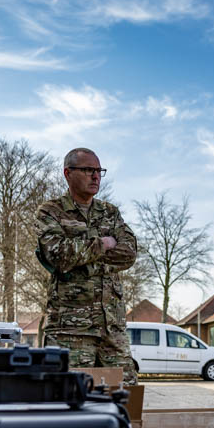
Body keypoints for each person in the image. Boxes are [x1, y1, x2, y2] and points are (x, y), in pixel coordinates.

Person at [36, 147, 139, 383]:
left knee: (126, 398)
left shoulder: (109, 213)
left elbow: (129, 254)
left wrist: (83, 259)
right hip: (70, 330)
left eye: (99, 171)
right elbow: (58, 255)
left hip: (112, 328)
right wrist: (104, 244)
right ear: (68, 173)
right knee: (68, 399)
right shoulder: (50, 212)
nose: (96, 176)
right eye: (88, 170)